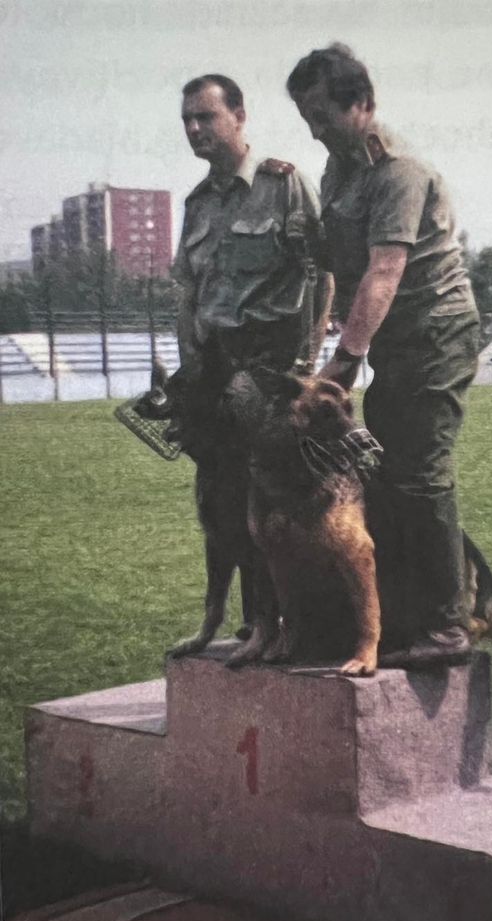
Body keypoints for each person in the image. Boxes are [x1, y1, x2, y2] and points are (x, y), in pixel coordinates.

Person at [286, 45, 484, 657]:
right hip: (396, 341)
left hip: (434, 333)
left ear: (363, 105)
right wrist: (293, 213)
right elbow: (337, 265)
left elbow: (384, 272)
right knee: (388, 471)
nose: (316, 133)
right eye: (306, 120)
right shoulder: (338, 172)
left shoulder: (399, 173)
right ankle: (410, 612)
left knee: (421, 473)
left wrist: (344, 360)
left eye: (323, 116)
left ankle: (448, 624)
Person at [172, 73, 332, 627]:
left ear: (239, 116)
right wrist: (190, 365)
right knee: (222, 503)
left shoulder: (282, 185)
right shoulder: (196, 204)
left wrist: (309, 368)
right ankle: (248, 621)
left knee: (279, 505)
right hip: (217, 374)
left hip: (271, 372)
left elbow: (322, 277)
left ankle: (294, 621)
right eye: (188, 119)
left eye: (206, 117)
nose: (195, 128)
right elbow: (187, 291)